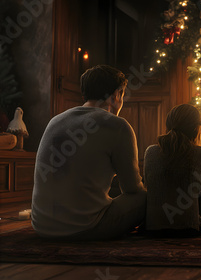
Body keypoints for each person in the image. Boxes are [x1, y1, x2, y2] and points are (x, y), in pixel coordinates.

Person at [31, 65, 146, 241]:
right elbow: (132, 188)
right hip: (85, 227)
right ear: (117, 95)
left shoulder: (55, 121)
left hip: (41, 225)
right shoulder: (118, 125)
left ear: (84, 94)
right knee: (144, 197)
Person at [144, 104, 201, 236]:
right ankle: (196, 221)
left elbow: (148, 185)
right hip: (188, 230)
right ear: (197, 128)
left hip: (152, 229)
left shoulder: (150, 152)